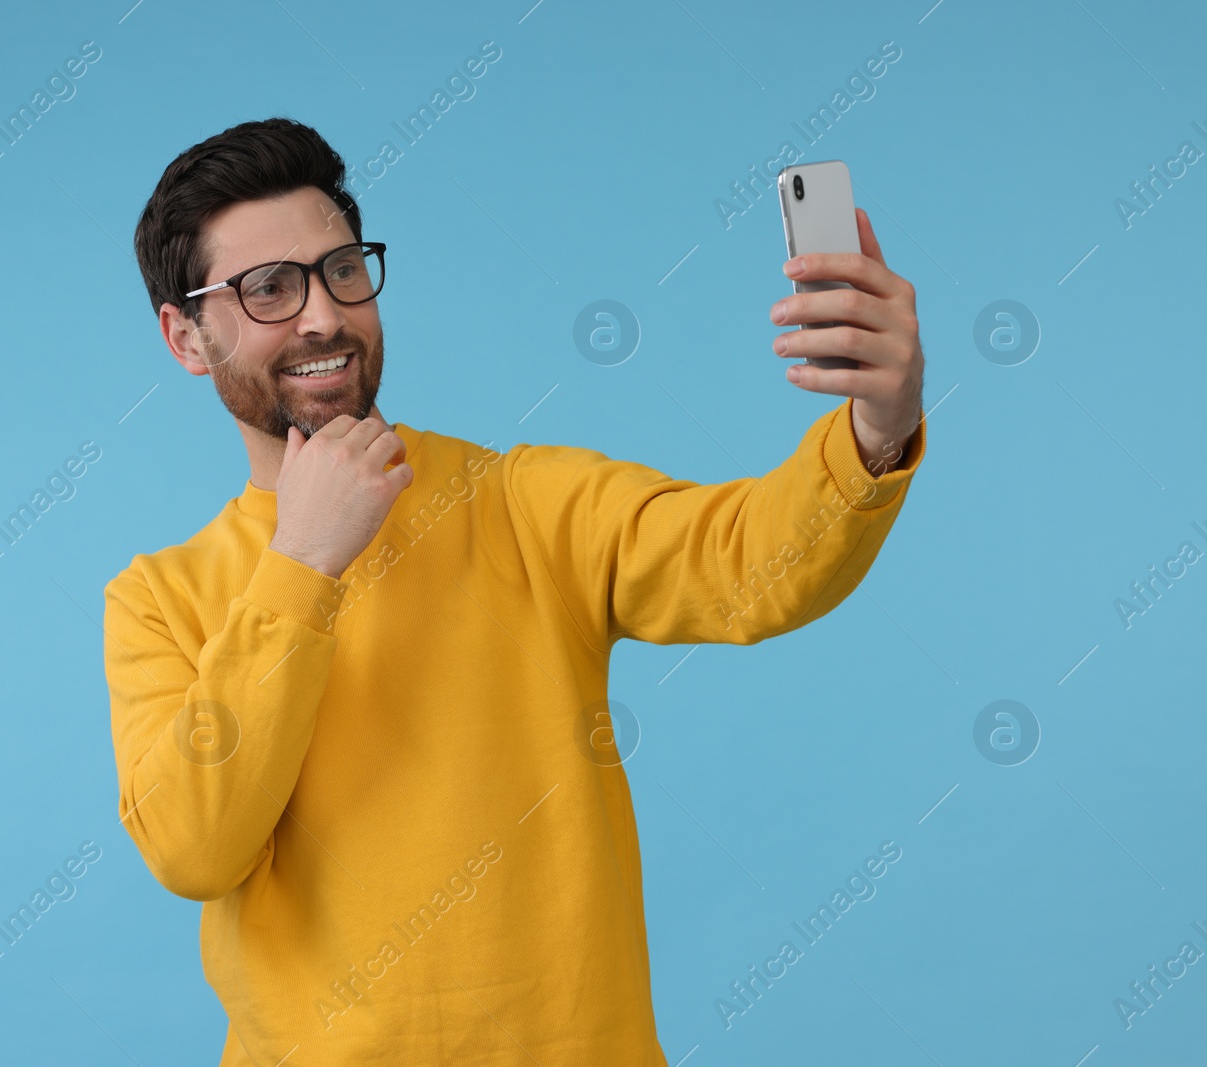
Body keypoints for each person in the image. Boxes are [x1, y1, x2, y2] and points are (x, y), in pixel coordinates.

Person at [104, 116, 926, 1065]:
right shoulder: (160, 600)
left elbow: (750, 561)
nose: (323, 315)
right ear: (186, 337)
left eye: (341, 270)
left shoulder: (521, 502)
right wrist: (303, 562)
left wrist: (879, 422)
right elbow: (194, 846)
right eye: (269, 290)